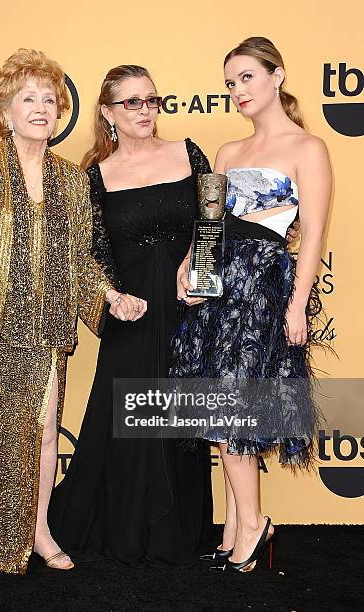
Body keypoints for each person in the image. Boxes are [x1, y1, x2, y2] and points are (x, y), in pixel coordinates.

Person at [0, 49, 142, 575]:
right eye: (27, 98)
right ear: (5, 112)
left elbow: (80, 258)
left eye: (49, 100)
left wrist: (111, 296)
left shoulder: (73, 180)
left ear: (59, 114)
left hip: (46, 328)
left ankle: (40, 530)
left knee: (47, 432)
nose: (40, 108)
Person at [172, 37, 331, 573]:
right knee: (220, 408)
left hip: (262, 292)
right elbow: (210, 227)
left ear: (277, 76)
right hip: (217, 291)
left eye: (245, 78)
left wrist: (297, 305)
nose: (237, 91)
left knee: (236, 408)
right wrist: (187, 267)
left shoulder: (308, 150)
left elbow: (310, 235)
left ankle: (252, 526)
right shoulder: (227, 154)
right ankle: (241, 527)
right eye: (230, 83)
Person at [48, 65, 215, 567]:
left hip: (188, 305)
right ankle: (121, 528)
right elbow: (91, 255)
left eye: (152, 100)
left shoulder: (188, 152)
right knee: (125, 417)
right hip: (132, 311)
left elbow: (213, 217)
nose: (145, 111)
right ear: (107, 112)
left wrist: (200, 273)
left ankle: (179, 533)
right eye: (132, 103)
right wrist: (112, 298)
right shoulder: (93, 177)